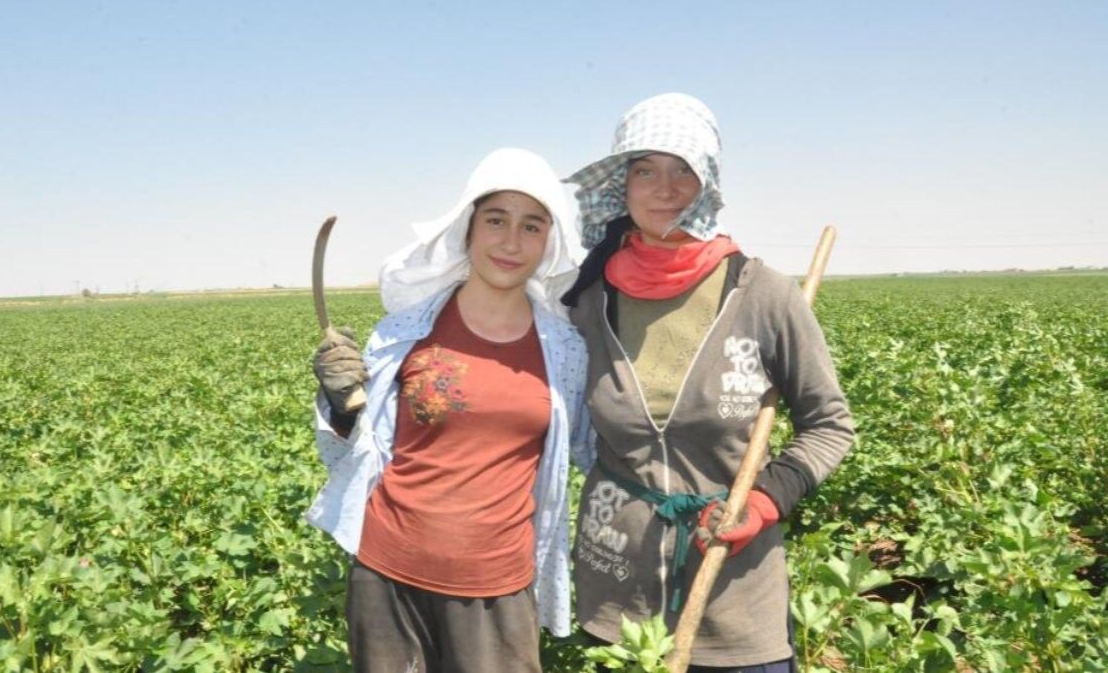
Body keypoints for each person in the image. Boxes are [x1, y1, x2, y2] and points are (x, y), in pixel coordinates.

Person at [561, 93, 855, 670]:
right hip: (617, 591)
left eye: (683, 170)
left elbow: (830, 424)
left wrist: (765, 500)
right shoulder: (588, 301)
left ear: (707, 183)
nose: (664, 189)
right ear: (621, 185)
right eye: (645, 170)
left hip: (733, 590)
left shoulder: (763, 294)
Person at [306, 147, 592, 672]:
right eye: (496, 220)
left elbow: (593, 448)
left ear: (549, 242)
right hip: (387, 578)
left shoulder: (566, 349)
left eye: (531, 226)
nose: (511, 242)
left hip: (498, 586)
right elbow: (353, 444)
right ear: (468, 230)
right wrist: (339, 404)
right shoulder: (405, 331)